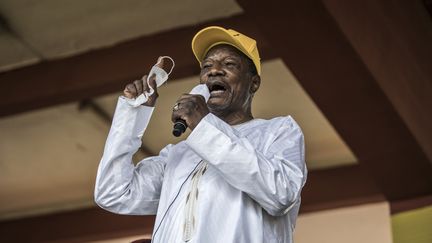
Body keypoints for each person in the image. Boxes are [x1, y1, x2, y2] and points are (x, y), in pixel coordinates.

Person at [94, 26, 307, 243]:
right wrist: (133, 114)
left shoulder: (278, 131)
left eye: (229, 64)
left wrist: (204, 125)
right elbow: (114, 192)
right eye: (207, 66)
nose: (214, 71)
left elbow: (281, 193)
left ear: (254, 83)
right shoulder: (177, 154)